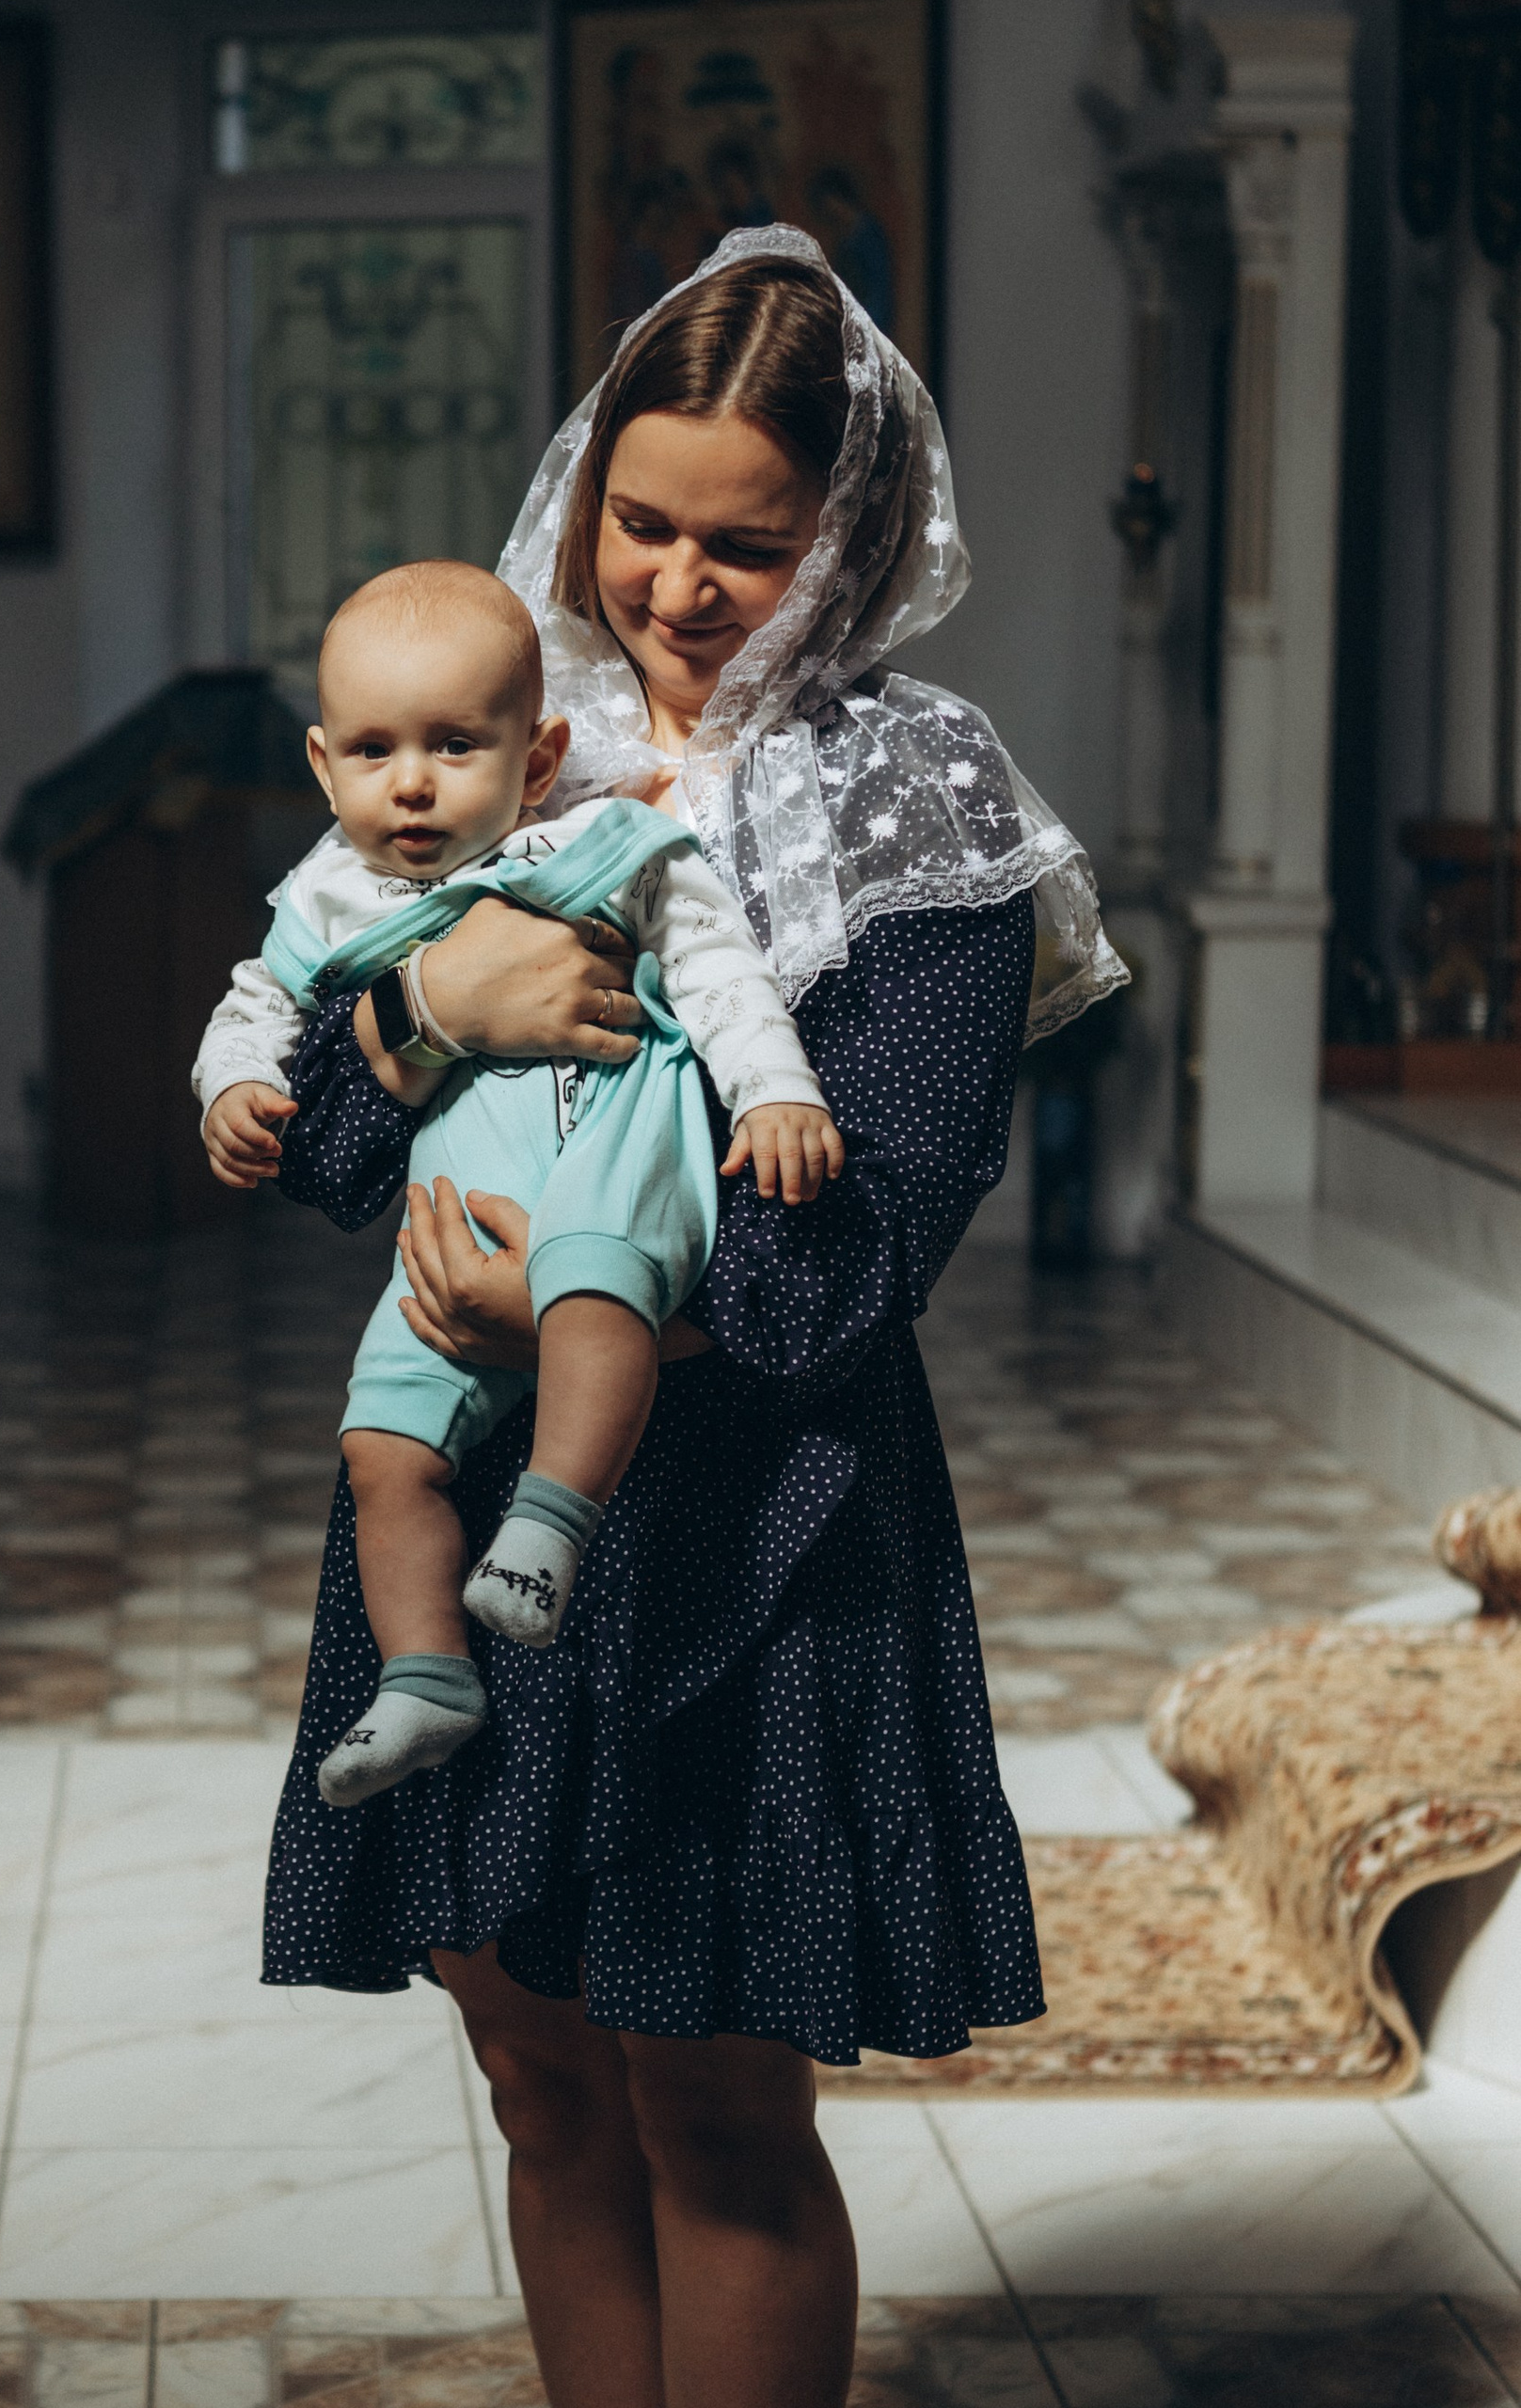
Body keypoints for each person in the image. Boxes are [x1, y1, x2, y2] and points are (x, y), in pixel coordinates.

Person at [261, 226, 1125, 2408]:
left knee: (716, 2106)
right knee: (540, 2084)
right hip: (464, 1506)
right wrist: (416, 1020)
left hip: (754, 1520)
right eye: (636, 520)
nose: (672, 582)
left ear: (846, 533)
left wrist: (591, 1299)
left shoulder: (919, 794)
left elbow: (872, 1230)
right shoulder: (479, 735)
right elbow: (333, 1161)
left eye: (744, 539)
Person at [193, 559, 841, 1807]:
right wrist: (229, 1089)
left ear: (536, 758)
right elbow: (256, 1006)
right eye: (374, 753)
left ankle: (549, 1523)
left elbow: (717, 970)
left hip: (606, 1160)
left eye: (454, 745)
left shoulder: (598, 842)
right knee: (381, 1442)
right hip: (444, 1250)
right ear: (324, 769)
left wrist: (774, 1090)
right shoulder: (329, 896)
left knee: (597, 1289)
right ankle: (426, 1677)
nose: (415, 783)